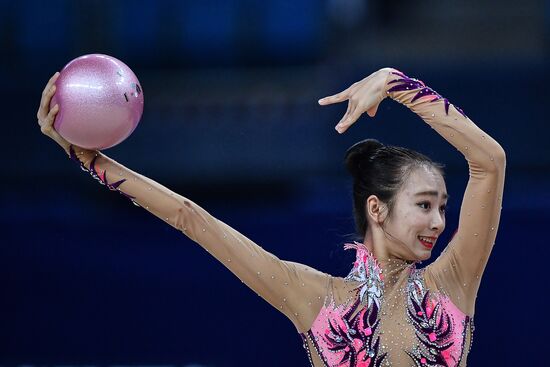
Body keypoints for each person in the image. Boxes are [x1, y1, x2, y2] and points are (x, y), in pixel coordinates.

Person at [37, 67, 506, 367]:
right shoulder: (311, 296)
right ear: (377, 209)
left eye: (442, 207)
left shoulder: (455, 281)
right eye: (424, 205)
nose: (440, 222)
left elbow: (490, 161)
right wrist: (87, 160)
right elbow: (191, 218)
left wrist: (395, 84)